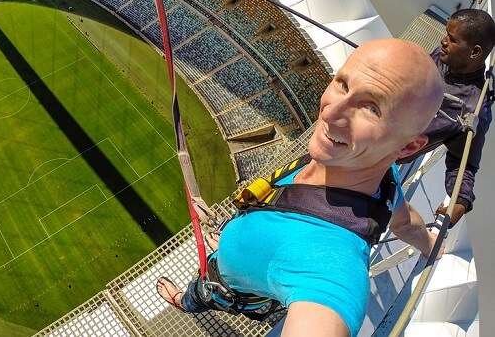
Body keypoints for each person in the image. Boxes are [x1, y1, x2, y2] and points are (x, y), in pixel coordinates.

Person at [156, 39, 444, 337]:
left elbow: (324, 312)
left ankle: (182, 301)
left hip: (225, 285)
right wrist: (433, 246)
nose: (330, 113)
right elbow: (405, 221)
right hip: (248, 257)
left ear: (408, 146)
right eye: (343, 84)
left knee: (198, 295)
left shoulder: (331, 266)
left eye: (372, 108)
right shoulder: (382, 180)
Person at [399, 9, 495, 225]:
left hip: (382, 160)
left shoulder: (472, 110)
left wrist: (460, 200)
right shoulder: (445, 56)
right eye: (446, 34)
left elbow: (464, 163)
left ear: (474, 52)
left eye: (452, 39)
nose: (443, 41)